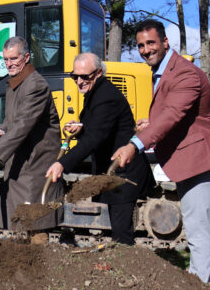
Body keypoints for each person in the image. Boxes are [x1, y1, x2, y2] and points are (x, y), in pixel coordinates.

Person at [112, 19, 210, 282]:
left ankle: (199, 280)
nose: (145, 50)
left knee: (199, 228)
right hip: (189, 158)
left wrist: (136, 143)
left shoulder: (185, 73)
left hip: (198, 160)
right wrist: (150, 123)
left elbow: (173, 115)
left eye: (151, 43)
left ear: (165, 42)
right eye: (141, 45)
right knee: (197, 225)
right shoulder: (165, 71)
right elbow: (173, 115)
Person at [45, 53, 153, 244]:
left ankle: (127, 270)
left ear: (98, 73)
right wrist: (80, 129)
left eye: (84, 76)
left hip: (123, 172)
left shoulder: (106, 97)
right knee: (117, 230)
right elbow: (97, 128)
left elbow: (95, 137)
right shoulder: (94, 93)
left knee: (122, 235)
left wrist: (62, 163)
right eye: (75, 76)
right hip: (114, 171)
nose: (79, 81)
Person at [0, 36, 62, 231]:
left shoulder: (35, 85)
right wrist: (0, 129)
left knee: (35, 221)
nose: (9, 64)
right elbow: (13, 119)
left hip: (36, 162)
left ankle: (39, 257)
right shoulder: (17, 82)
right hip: (22, 158)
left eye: (14, 59)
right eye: (6, 59)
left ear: (27, 57)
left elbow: (23, 124)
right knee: (19, 221)